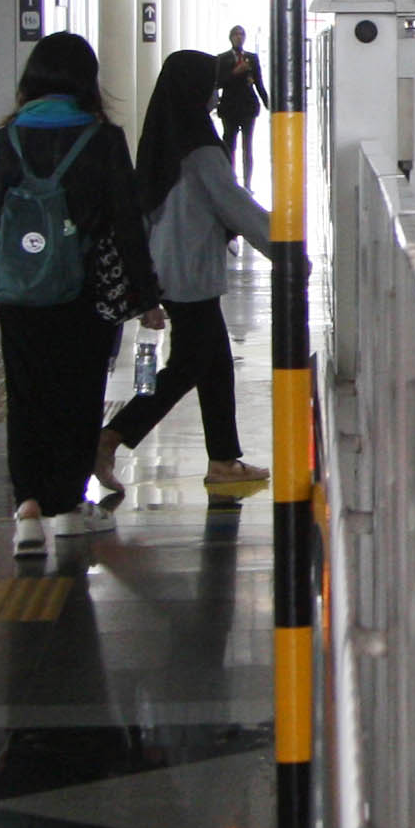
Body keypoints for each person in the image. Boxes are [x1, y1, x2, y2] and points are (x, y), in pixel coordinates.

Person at [0, 34, 163, 559]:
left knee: (26, 396)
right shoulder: (102, 140)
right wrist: (145, 295)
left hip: (20, 296)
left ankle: (29, 509)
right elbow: (127, 224)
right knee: (77, 398)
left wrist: (8, 274)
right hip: (86, 295)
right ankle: (67, 507)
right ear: (86, 81)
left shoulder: (6, 138)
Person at [97, 49, 275, 502]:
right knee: (188, 367)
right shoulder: (199, 145)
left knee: (213, 366)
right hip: (189, 273)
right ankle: (111, 438)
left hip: (169, 269)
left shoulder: (162, 135)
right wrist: (285, 247)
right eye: (211, 87)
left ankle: (223, 460)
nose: (216, 96)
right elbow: (233, 202)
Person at [215, 25, 269, 181]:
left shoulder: (252, 58)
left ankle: (247, 183)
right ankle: (230, 180)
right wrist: (235, 72)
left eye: (242, 35)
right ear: (230, 37)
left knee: (248, 146)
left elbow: (259, 83)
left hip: (248, 107)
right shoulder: (222, 59)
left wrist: (268, 104)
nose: (239, 37)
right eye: (236, 35)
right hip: (229, 108)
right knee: (229, 145)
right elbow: (218, 82)